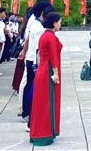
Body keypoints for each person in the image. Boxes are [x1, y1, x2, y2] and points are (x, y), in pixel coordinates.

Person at [29, 11, 63, 146]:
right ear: (54, 23)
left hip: (42, 70)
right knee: (47, 103)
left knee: (41, 102)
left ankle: (39, 132)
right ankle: (44, 133)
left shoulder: (45, 35)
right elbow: (54, 56)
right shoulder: (51, 37)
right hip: (48, 70)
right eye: (59, 22)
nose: (60, 24)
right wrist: (55, 73)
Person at [20, 0, 50, 122]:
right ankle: (28, 113)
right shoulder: (39, 27)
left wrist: (24, 52)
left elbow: (27, 40)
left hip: (30, 58)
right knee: (32, 88)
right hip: (34, 61)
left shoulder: (34, 22)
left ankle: (26, 112)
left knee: (29, 86)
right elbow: (39, 49)